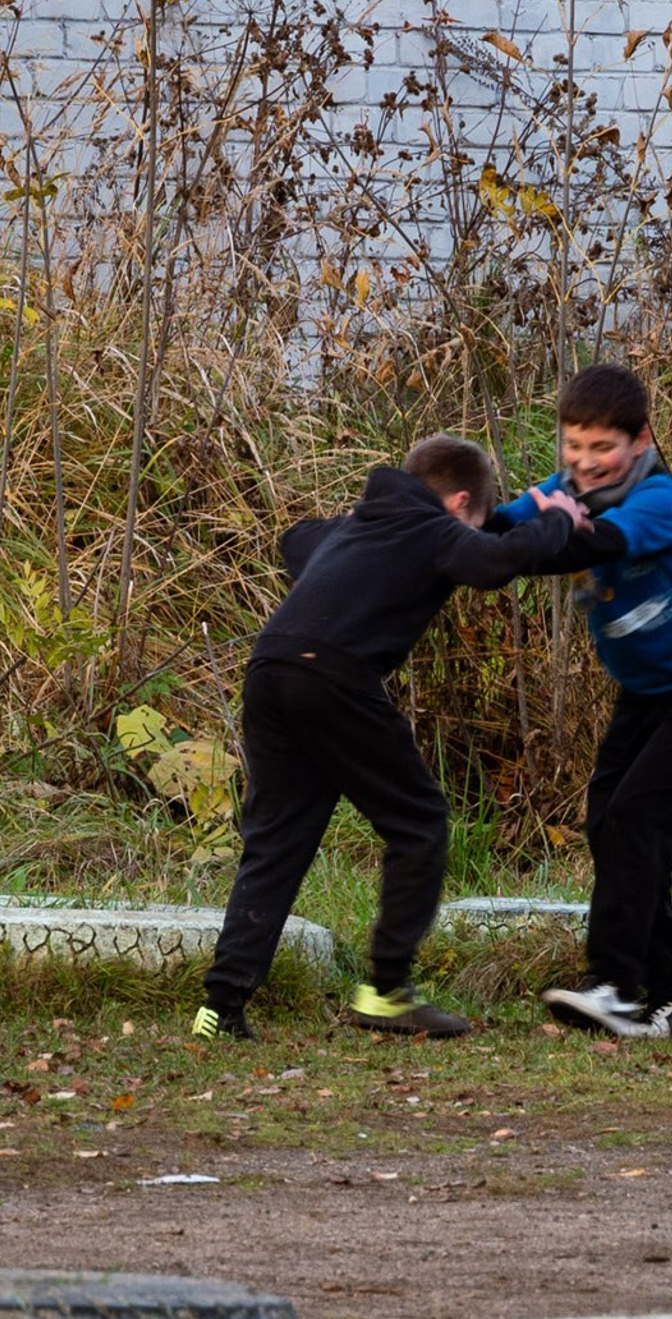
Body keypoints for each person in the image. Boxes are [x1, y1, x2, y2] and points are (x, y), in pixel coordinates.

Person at [195, 437, 583, 1043]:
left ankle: (220, 1006)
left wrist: (349, 531)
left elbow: (295, 539)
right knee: (419, 822)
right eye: (473, 522)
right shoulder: (433, 531)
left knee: (276, 841)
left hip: (270, 670)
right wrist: (558, 519)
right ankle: (386, 991)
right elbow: (491, 565)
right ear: (458, 502)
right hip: (332, 674)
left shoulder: (366, 523)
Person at [497, 363, 672, 1041]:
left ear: (639, 441)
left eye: (601, 448)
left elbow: (595, 542)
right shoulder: (563, 491)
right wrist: (437, 523)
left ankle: (614, 986)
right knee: (611, 826)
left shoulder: (658, 499)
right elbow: (503, 526)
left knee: (637, 823)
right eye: (573, 447)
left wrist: (546, 534)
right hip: (646, 691)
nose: (585, 464)